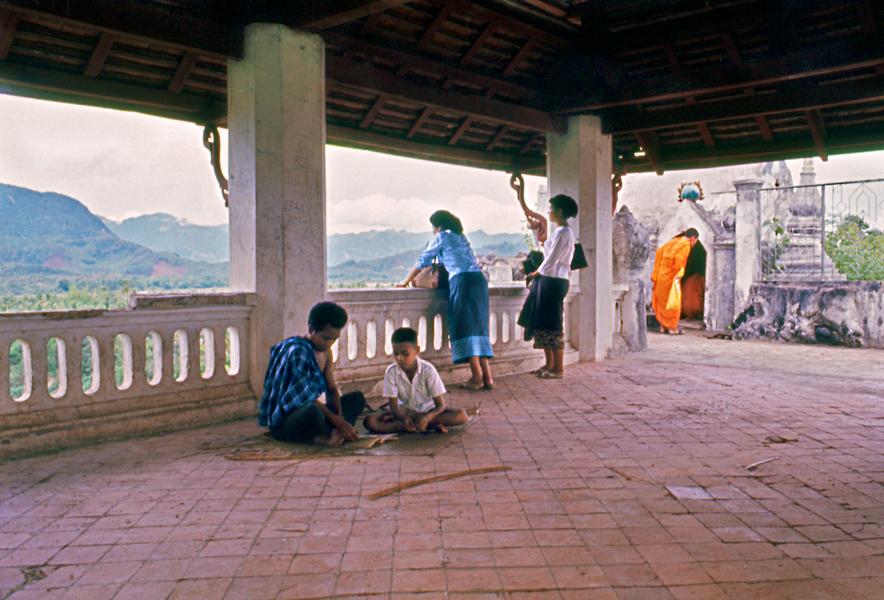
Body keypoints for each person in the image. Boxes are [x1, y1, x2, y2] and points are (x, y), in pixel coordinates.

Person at [397, 210, 494, 391]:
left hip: (462, 281)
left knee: (465, 327)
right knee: (479, 327)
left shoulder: (442, 236)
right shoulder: (460, 236)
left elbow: (423, 261)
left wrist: (405, 281)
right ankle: (487, 377)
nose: (433, 230)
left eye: (433, 227)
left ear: (438, 226)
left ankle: (476, 377)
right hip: (479, 281)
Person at [258, 301, 366, 446]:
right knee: (312, 411)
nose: (330, 343)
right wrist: (337, 422)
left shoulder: (326, 352)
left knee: (357, 399)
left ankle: (332, 434)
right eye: (326, 338)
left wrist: (340, 419)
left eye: (334, 339)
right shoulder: (298, 351)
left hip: (312, 411)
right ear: (311, 329)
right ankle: (321, 438)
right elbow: (304, 399)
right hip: (286, 421)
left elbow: (331, 389)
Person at [517, 194, 579, 379]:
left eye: (551, 208)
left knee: (552, 323)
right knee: (543, 322)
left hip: (554, 281)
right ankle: (549, 364)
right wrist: (541, 239)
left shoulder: (565, 233)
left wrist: (535, 273)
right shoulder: (559, 232)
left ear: (559, 211)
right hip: (549, 279)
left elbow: (552, 260)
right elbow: (549, 254)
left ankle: (558, 368)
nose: (549, 212)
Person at [363, 327, 468, 434]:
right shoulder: (391, 372)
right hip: (403, 413)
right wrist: (404, 418)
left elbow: (441, 405)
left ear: (417, 350)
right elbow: (394, 407)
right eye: (396, 353)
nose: (399, 358)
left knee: (461, 416)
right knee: (369, 421)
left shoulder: (428, 370)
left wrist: (427, 418)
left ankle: (415, 425)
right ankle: (421, 425)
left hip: (427, 411)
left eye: (405, 354)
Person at [651, 228, 700, 335]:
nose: (694, 243)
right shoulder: (685, 245)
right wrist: (679, 274)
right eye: (696, 241)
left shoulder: (673, 241)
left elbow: (659, 251)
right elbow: (678, 259)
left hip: (661, 275)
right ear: (693, 238)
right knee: (673, 303)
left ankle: (663, 327)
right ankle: (672, 328)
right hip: (670, 277)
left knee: (663, 303)